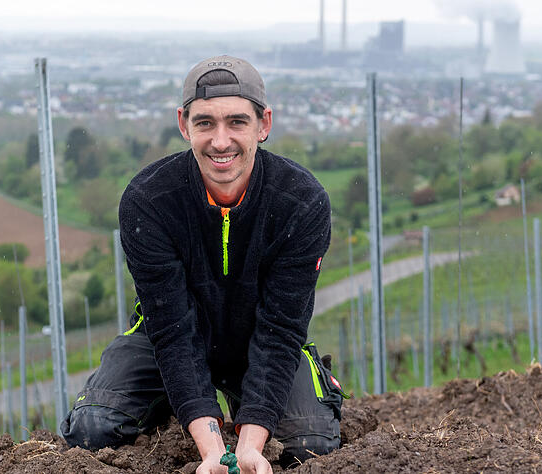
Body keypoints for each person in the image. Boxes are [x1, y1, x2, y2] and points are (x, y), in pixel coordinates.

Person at [61, 55, 344, 473]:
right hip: (164, 338)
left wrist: (249, 447)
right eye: (205, 123)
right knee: (92, 429)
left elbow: (281, 329)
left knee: (310, 445)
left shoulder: (302, 202)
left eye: (237, 122)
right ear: (184, 125)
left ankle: (253, 406)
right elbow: (172, 330)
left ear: (264, 124)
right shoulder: (148, 201)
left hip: (262, 340)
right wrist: (211, 448)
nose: (220, 141)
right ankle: (172, 408)